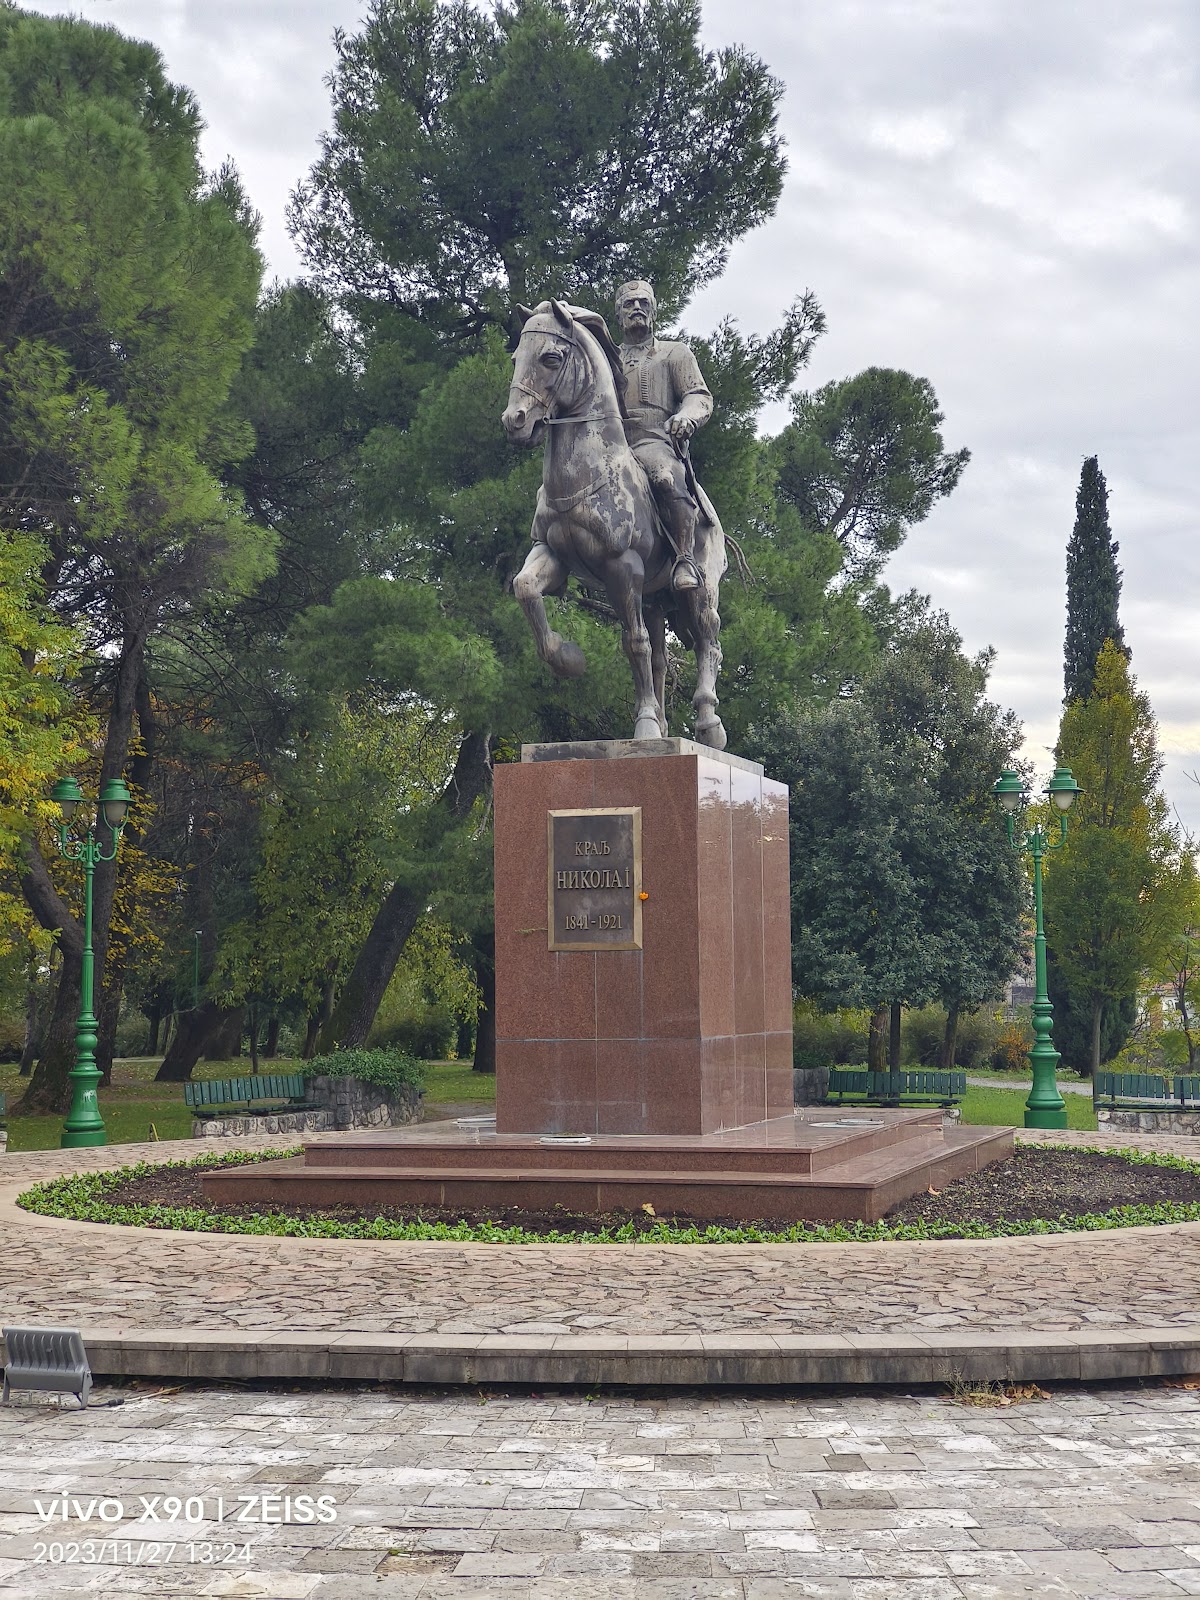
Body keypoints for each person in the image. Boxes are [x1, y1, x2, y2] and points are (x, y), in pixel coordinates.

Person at [614, 279, 713, 591]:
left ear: (654, 311)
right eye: (629, 304)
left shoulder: (674, 353)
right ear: (619, 314)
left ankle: (684, 558)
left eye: (644, 303)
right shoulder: (607, 359)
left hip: (653, 440)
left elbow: (698, 395)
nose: (637, 308)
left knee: (666, 478)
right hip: (609, 442)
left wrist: (687, 416)